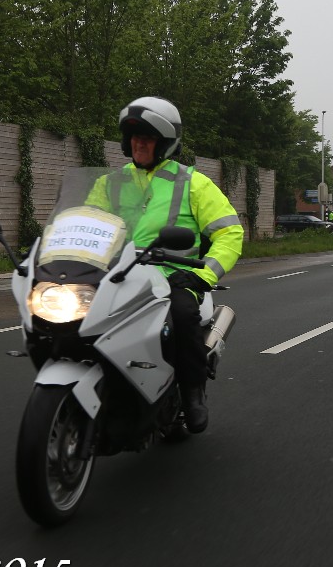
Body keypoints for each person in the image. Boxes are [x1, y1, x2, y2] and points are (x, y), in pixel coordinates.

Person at [105, 97, 244, 433]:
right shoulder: (110, 183)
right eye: (134, 137)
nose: (138, 144)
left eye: (147, 138)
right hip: (117, 276)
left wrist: (203, 275)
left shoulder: (193, 183)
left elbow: (230, 233)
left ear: (166, 143)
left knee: (182, 316)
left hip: (172, 277)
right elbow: (84, 222)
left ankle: (192, 393)